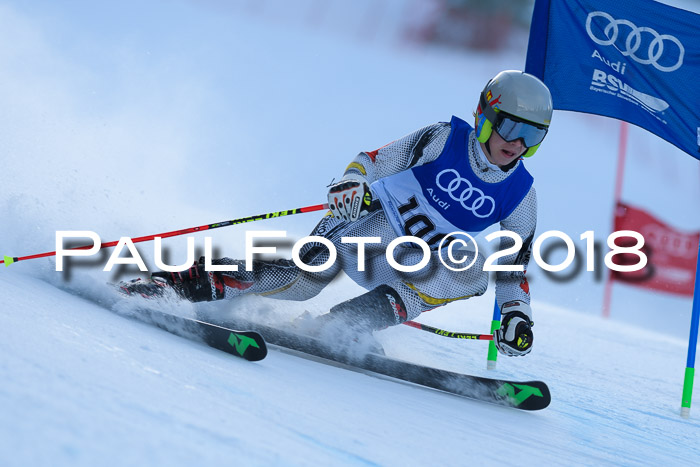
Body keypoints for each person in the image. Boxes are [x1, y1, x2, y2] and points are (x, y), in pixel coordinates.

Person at [120, 70, 553, 358]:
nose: (517, 142)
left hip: (407, 260)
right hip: (365, 224)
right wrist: (351, 183)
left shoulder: (521, 194)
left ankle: (347, 324)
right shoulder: (443, 140)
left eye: (532, 134)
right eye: (510, 126)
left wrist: (517, 314)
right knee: (303, 280)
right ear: (485, 114)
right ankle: (176, 284)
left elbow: (512, 269)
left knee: (474, 269)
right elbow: (371, 161)